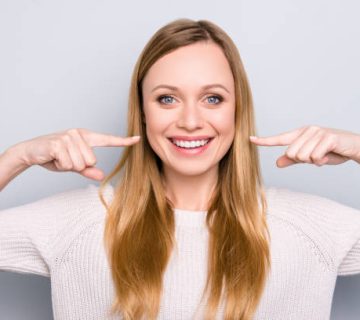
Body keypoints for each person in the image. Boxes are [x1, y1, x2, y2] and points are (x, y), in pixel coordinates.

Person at [1, 18, 360, 320]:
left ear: (238, 110)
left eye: (213, 98)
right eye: (167, 99)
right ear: (143, 112)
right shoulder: (77, 222)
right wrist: (19, 156)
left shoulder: (310, 229)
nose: (190, 121)